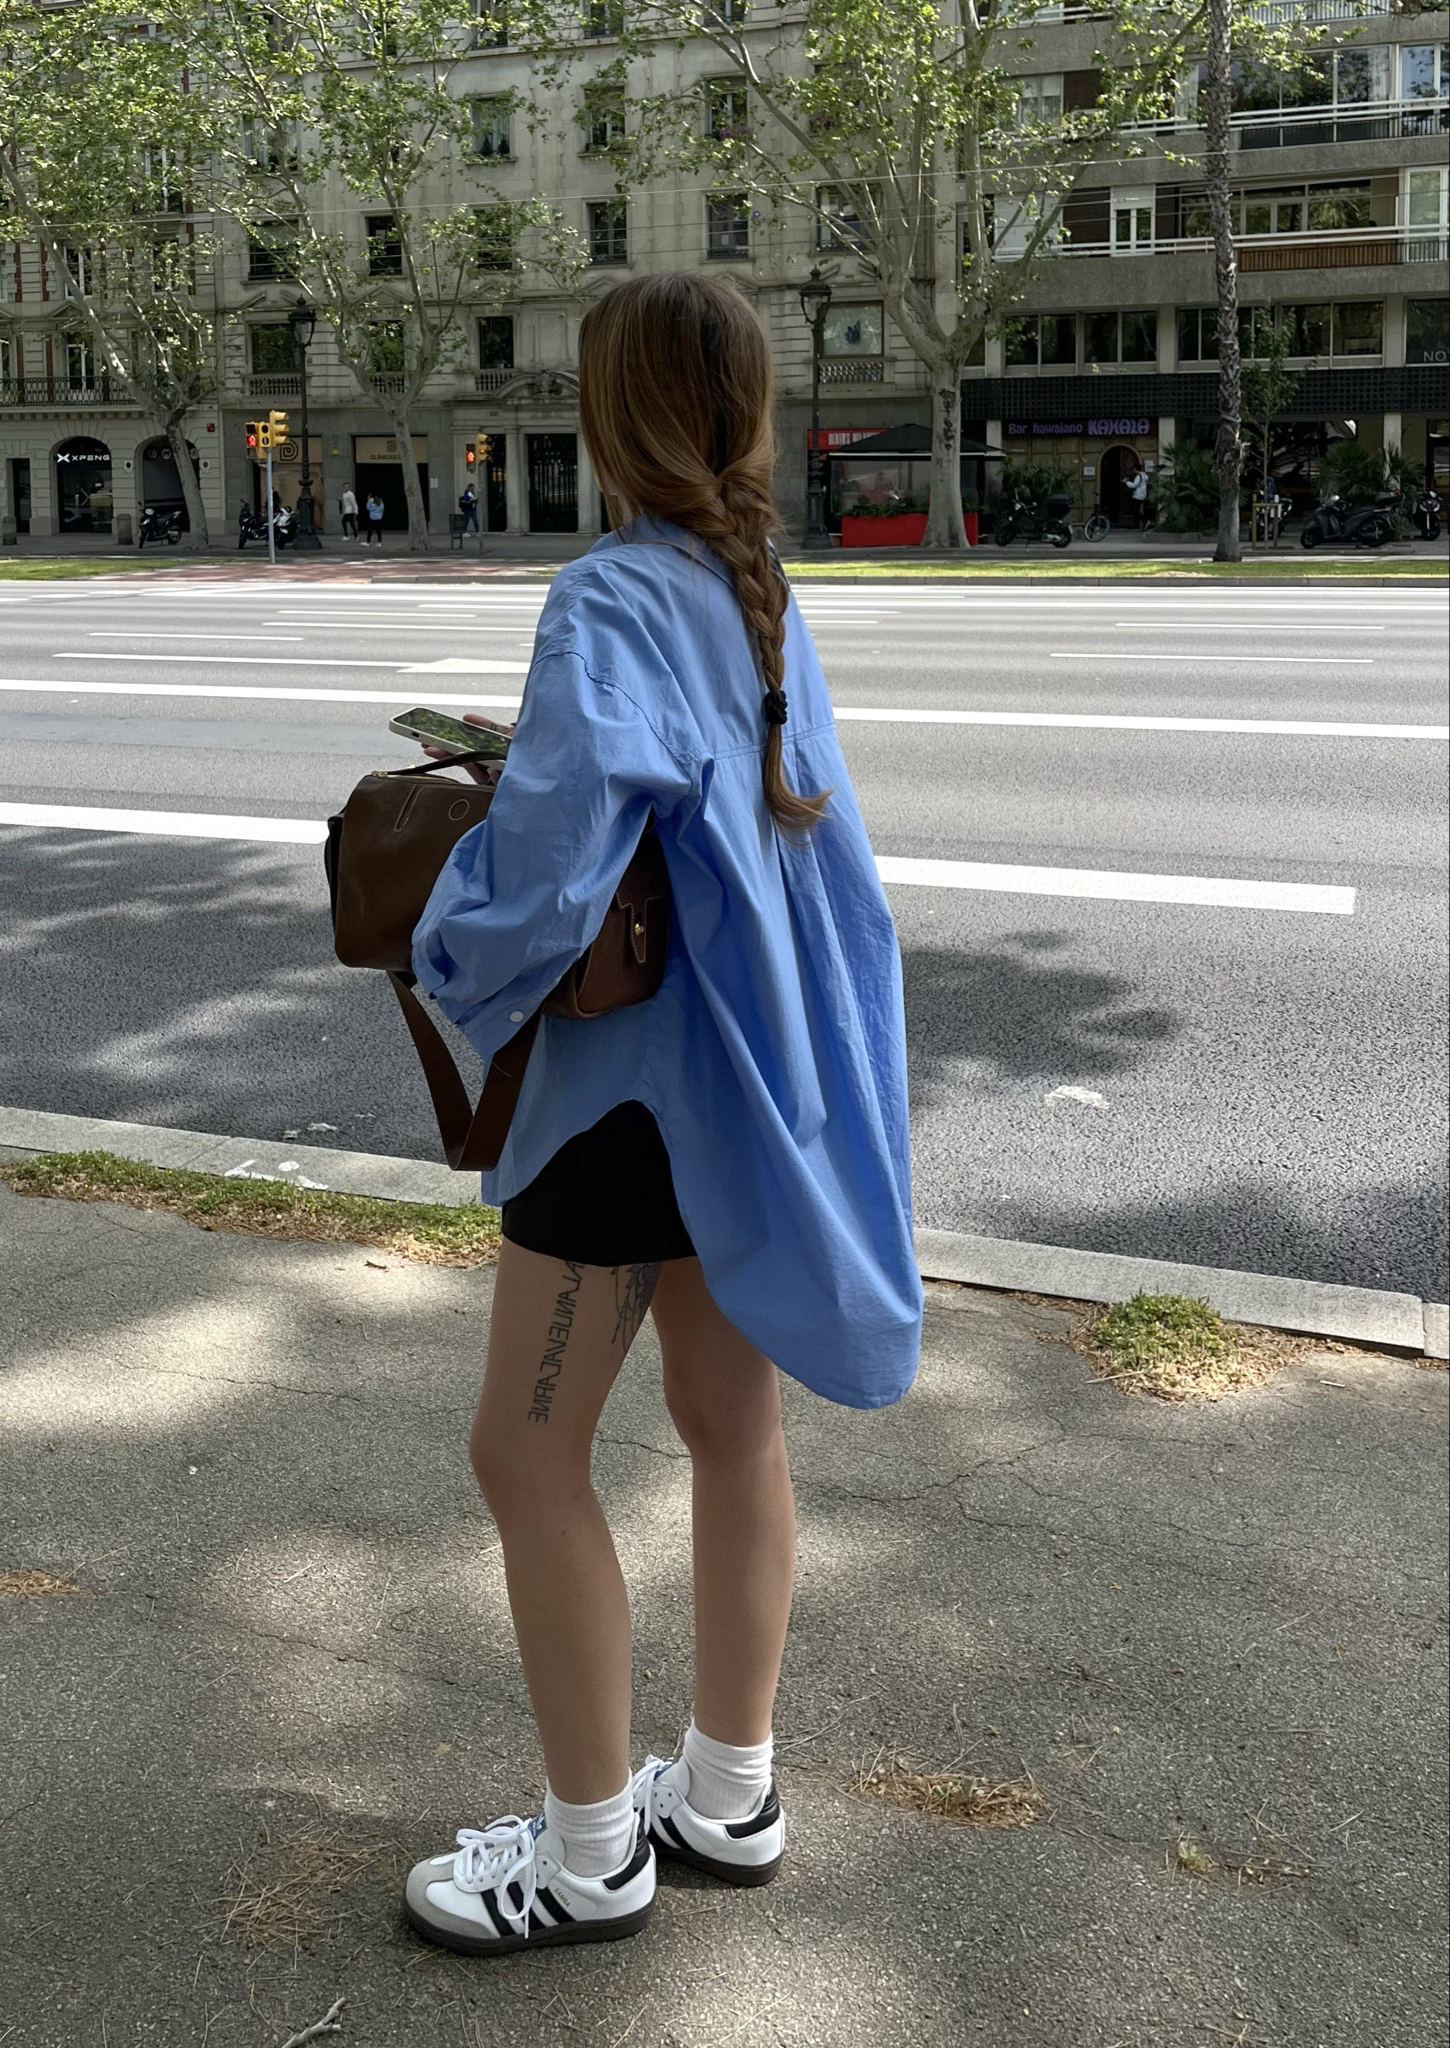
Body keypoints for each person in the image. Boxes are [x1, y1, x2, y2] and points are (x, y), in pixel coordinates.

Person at [402, 271, 923, 1957]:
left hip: (632, 1098)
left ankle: (581, 1855)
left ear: (606, 413)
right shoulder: (754, 588)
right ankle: (727, 1787)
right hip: (752, 1085)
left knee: (521, 1449)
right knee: (729, 1429)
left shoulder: (608, 592)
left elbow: (546, 879)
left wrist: (439, 943)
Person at [1126, 460, 1151, 530]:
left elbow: (1134, 485)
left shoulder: (1139, 476)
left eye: (1133, 469)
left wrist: (1126, 482)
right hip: (1143, 494)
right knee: (1137, 510)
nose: (1133, 470)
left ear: (1135, 469)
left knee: (1134, 509)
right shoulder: (1144, 475)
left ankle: (1145, 520)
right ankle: (1138, 524)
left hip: (1138, 495)